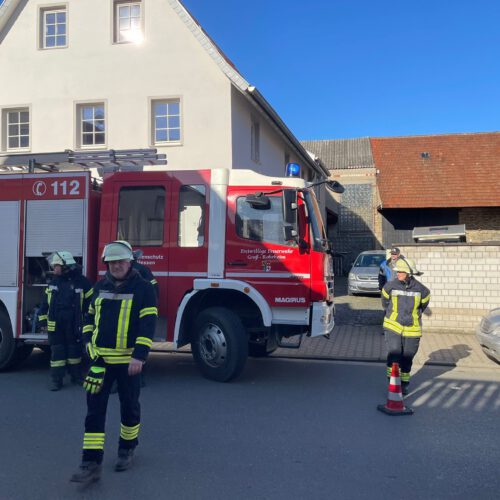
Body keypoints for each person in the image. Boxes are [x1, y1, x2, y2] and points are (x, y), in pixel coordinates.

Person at [70, 241, 158, 483]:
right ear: (106, 264)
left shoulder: (144, 288)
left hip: (129, 363)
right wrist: (88, 344)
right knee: (94, 411)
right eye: (112, 262)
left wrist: (139, 355)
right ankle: (90, 462)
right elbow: (88, 318)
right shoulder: (100, 287)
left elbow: (148, 324)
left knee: (129, 407)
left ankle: (127, 449)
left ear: (130, 262)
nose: (117, 266)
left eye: (121, 261)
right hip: (99, 361)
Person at [38, 251, 93, 391]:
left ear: (66, 266)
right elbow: (45, 304)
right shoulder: (53, 283)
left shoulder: (83, 282)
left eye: (56, 265)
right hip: (55, 324)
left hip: (74, 324)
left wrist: (89, 321)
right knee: (58, 353)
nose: (54, 268)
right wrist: (42, 321)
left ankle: (76, 377)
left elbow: (92, 304)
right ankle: (56, 380)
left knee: (75, 351)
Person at [381, 258, 430, 395]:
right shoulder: (389, 286)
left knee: (407, 357)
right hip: (393, 326)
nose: (398, 274)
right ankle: (392, 381)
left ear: (409, 273)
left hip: (412, 329)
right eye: (397, 271)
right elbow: (385, 303)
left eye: (401, 272)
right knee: (395, 353)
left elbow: (422, 306)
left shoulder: (423, 291)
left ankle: (404, 384)